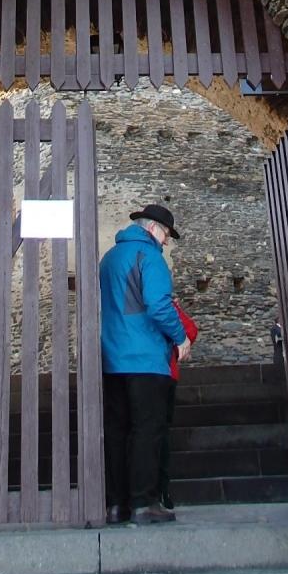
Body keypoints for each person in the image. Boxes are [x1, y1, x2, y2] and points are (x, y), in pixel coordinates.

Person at [99, 203, 191, 525]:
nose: (166, 241)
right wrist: (181, 338)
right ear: (152, 228)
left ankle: (116, 505)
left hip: (112, 360)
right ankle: (143, 504)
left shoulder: (109, 258)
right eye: (166, 234)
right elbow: (158, 305)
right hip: (146, 361)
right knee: (147, 431)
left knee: (117, 431)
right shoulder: (150, 257)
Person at [158, 297, 198, 512]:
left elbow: (190, 330)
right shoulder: (163, 302)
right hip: (163, 373)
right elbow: (190, 330)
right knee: (159, 433)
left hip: (137, 371)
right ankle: (161, 490)